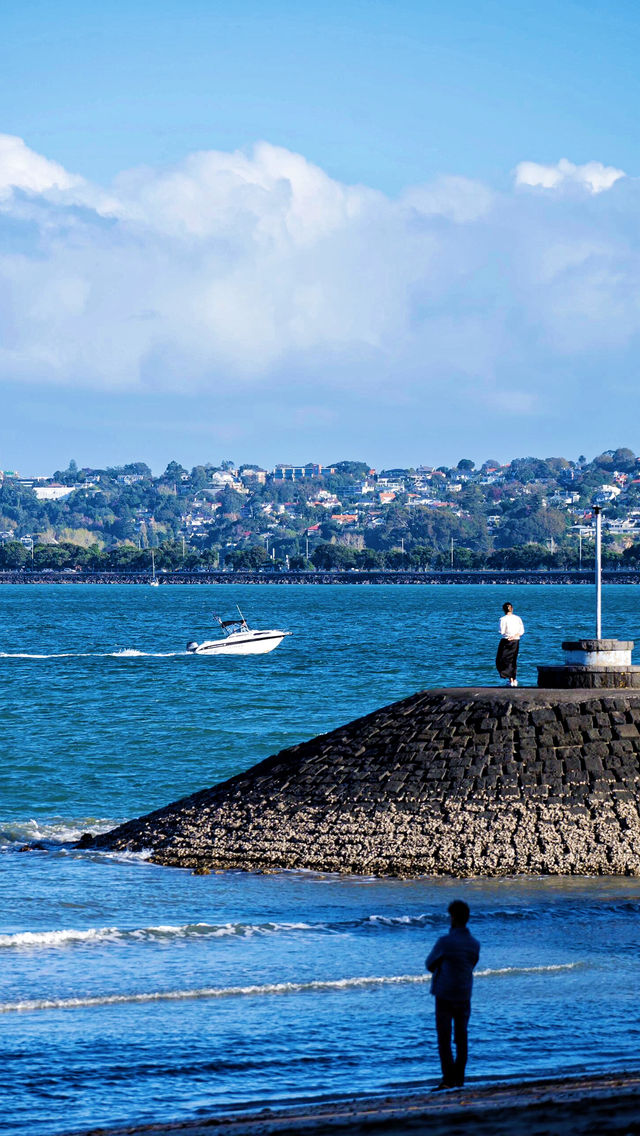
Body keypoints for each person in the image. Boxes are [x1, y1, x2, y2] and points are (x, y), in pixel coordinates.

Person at [426, 900, 480, 1091]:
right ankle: (459, 1078)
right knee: (461, 1037)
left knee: (444, 1038)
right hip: (464, 993)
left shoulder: (445, 942)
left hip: (445, 993)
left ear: (453, 918)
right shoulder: (474, 944)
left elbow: (429, 964)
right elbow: (472, 964)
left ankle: (448, 1078)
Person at [496, 601, 525, 687]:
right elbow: (522, 631)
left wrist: (510, 636)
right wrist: (515, 635)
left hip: (506, 640)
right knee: (513, 660)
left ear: (503, 610)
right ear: (512, 609)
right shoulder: (518, 618)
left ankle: (510, 679)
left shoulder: (503, 619)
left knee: (502, 660)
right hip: (516, 640)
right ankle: (513, 679)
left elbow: (501, 631)